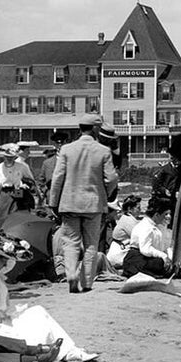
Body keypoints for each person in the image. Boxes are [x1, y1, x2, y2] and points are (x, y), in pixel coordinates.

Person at [0, 227, 97, 362]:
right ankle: (47, 351)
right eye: (2, 259)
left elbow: (10, 266)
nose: (6, 264)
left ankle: (70, 350)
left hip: (4, 319)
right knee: (26, 335)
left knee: (37, 312)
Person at [47, 116, 119, 294]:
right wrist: (106, 195)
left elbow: (57, 178)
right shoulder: (103, 151)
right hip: (93, 204)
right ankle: (87, 282)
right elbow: (112, 178)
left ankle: (71, 275)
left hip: (69, 203)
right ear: (95, 129)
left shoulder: (66, 149)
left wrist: (53, 202)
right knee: (91, 244)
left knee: (70, 243)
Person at [123, 196, 174, 278]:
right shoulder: (146, 226)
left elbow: (164, 246)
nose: (168, 217)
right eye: (165, 214)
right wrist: (163, 256)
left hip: (148, 258)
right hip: (137, 258)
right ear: (157, 215)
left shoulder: (159, 226)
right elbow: (145, 249)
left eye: (169, 214)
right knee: (159, 263)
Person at [0, 145, 36, 219]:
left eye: (11, 157)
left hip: (18, 192)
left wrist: (25, 184)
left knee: (17, 216)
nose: (9, 159)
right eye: (7, 157)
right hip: (4, 194)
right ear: (3, 157)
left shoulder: (22, 167)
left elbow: (30, 180)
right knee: (3, 216)